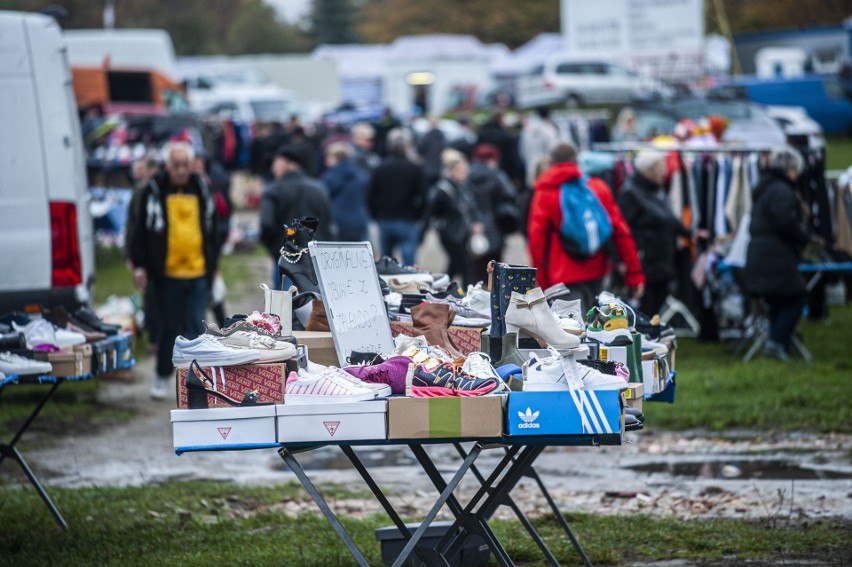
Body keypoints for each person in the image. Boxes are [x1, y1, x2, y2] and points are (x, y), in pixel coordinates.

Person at [130, 142, 219, 400]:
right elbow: (140, 232)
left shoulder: (201, 188)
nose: (180, 170)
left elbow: (212, 229)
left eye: (185, 165)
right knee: (168, 329)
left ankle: (198, 384)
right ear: (167, 165)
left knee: (197, 329)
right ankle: (161, 376)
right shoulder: (154, 190)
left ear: (191, 166)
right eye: (175, 165)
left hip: (198, 271)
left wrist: (214, 266)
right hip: (166, 274)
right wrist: (139, 265)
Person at [528, 143, 645, 312]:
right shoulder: (597, 187)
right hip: (598, 270)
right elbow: (621, 232)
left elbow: (536, 241)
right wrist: (634, 274)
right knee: (597, 329)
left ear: (551, 162)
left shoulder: (545, 193)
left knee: (570, 333)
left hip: (561, 275)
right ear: (576, 160)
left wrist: (543, 282)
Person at [618, 150, 705, 317]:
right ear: (648, 171)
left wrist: (689, 233)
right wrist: (620, 260)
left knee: (657, 300)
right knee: (645, 305)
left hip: (661, 259)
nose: (664, 172)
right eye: (660, 168)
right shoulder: (631, 193)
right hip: (645, 260)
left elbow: (669, 219)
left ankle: (650, 337)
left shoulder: (656, 191)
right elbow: (620, 229)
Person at [744, 145, 810, 361]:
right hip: (775, 257)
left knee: (777, 300)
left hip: (760, 256)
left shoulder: (765, 188)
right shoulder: (782, 190)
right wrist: (803, 238)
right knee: (797, 298)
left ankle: (777, 341)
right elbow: (785, 222)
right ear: (791, 168)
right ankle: (776, 342)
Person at [260, 145, 333, 289]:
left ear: (286, 163)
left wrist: (275, 249)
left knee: (283, 307)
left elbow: (266, 224)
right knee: (314, 307)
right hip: (315, 260)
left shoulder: (273, 190)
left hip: (286, 260)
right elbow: (327, 223)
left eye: (275, 163)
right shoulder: (319, 189)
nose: (272, 168)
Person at [422, 149, 485, 287]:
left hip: (461, 233)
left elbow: (470, 208)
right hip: (450, 234)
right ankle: (469, 295)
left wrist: (476, 223)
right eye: (462, 171)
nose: (466, 173)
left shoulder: (461, 187)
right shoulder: (443, 189)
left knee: (454, 267)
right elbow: (431, 212)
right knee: (466, 266)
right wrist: (428, 230)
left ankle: (440, 289)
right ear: (452, 171)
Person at [369, 128, 424, 266]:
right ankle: (410, 286)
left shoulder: (380, 168)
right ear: (406, 146)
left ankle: (387, 287)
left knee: (386, 264)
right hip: (407, 219)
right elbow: (424, 196)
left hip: (385, 219)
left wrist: (376, 215)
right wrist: (418, 215)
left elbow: (370, 195)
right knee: (409, 264)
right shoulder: (414, 168)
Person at [467, 144, 517, 281]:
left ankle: (476, 289)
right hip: (494, 222)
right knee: (495, 262)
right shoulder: (496, 174)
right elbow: (510, 193)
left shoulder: (467, 173)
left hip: (473, 222)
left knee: (476, 259)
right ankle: (493, 290)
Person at [125, 152, 160, 349]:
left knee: (158, 296)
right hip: (144, 253)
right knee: (149, 296)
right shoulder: (140, 193)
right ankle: (153, 336)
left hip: (158, 254)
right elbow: (132, 226)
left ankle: (160, 335)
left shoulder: (162, 191)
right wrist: (131, 255)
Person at [321, 141, 370, 242]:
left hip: (337, 223)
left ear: (335, 157)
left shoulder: (330, 177)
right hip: (359, 221)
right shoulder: (360, 175)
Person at [520, 107, 560, 188]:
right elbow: (554, 150)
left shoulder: (527, 130)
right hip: (546, 169)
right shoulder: (549, 130)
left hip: (530, 167)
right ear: (549, 116)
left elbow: (522, 151)